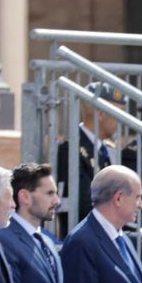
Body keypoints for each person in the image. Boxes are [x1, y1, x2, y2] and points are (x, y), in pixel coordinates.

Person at [57, 82, 121, 226]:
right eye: (118, 112)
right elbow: (83, 202)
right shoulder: (71, 149)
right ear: (101, 114)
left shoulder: (109, 149)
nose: (121, 119)